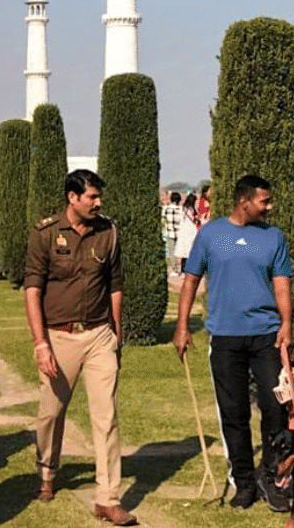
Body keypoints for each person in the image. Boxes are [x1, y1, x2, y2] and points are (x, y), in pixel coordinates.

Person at [173, 174, 293, 513]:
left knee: (275, 409)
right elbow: (191, 280)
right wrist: (182, 327)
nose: (270, 207)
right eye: (264, 201)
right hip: (225, 337)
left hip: (266, 336)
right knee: (234, 413)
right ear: (244, 201)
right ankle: (243, 481)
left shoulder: (274, 237)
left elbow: (282, 283)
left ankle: (272, 479)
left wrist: (287, 324)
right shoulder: (210, 234)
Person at [23, 169, 135, 526]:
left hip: (100, 335)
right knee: (51, 412)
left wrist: (116, 333)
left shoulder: (109, 233)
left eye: (99, 197)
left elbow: (115, 285)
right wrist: (41, 342)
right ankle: (46, 472)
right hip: (58, 337)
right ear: (72, 197)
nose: (98, 203)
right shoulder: (45, 234)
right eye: (91, 197)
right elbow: (32, 291)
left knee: (106, 417)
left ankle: (108, 497)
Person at [172, 192, 200, 271]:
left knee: (184, 254)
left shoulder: (182, 209)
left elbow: (177, 219)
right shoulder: (193, 210)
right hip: (191, 232)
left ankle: (183, 270)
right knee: (191, 252)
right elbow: (196, 220)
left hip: (183, 232)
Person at [162, 191, 182, 275]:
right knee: (180, 252)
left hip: (170, 233)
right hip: (179, 232)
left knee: (172, 252)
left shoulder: (166, 209)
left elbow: (163, 220)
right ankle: (181, 269)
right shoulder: (180, 209)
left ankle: (174, 269)